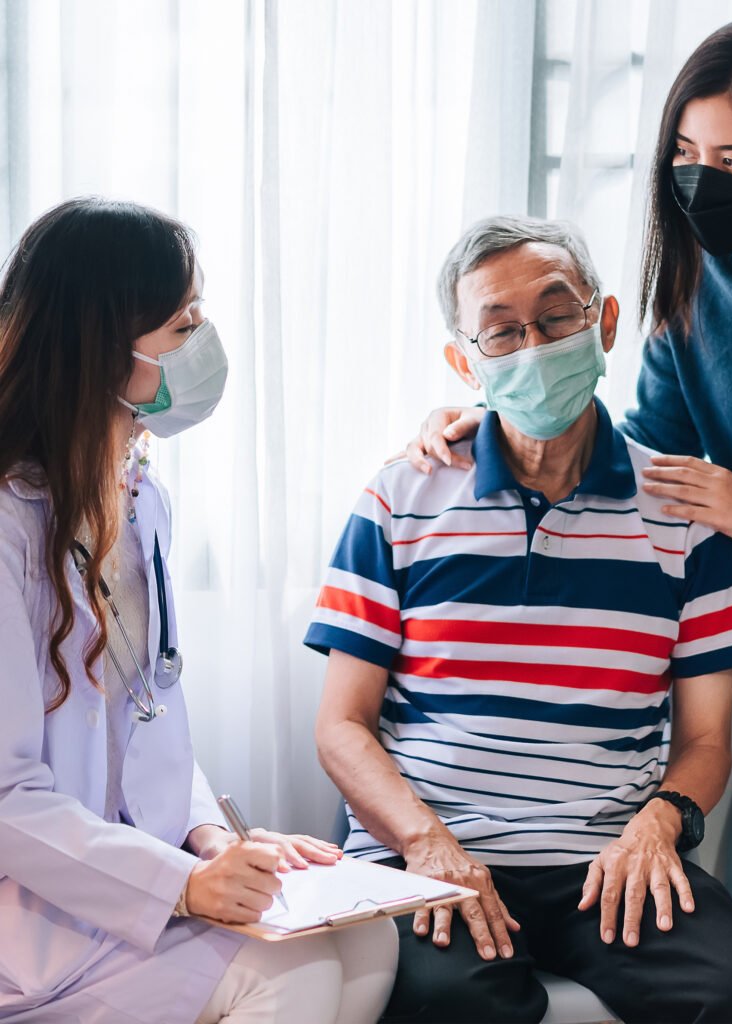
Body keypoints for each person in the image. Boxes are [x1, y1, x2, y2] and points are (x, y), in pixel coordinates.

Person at [403, 16, 732, 1024]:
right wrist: (495, 418)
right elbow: (642, 460)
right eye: (684, 153)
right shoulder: (695, 284)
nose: (700, 180)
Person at [306, 215, 732, 1023]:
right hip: (432, 847)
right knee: (448, 1005)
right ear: (465, 361)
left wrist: (657, 826)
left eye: (557, 315)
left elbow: (706, 741)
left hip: (609, 856)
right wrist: (425, 843)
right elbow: (340, 727)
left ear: (603, 322)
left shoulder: (686, 516)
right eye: (501, 331)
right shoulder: (400, 497)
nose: (534, 346)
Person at [0, 197, 397, 1023]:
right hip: (34, 914)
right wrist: (184, 884)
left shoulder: (137, 500)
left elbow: (149, 712)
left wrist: (211, 838)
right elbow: (6, 798)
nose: (203, 342)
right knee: (289, 972)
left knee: (367, 936)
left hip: (133, 872)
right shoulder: (9, 526)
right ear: (100, 348)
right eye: (183, 325)